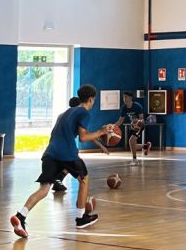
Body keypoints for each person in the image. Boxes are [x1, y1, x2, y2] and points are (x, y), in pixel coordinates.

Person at [9, 84, 108, 238]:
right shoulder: (84, 113)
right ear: (90, 99)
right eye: (94, 100)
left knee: (44, 189)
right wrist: (101, 132)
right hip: (67, 153)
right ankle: (81, 218)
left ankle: (21, 216)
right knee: (84, 179)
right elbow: (83, 137)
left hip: (50, 153)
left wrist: (99, 142)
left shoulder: (65, 113)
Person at [52, 97, 109, 193]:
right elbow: (85, 136)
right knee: (81, 174)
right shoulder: (78, 116)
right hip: (66, 147)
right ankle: (83, 197)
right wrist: (101, 145)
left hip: (53, 146)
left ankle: (58, 180)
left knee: (67, 164)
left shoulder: (62, 115)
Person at [114, 91, 149, 166]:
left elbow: (142, 119)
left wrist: (137, 123)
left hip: (140, 126)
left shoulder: (137, 106)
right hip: (133, 126)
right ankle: (145, 146)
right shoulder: (124, 108)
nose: (124, 99)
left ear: (130, 98)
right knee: (132, 144)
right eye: (123, 97)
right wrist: (113, 127)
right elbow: (120, 121)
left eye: (126, 97)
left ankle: (135, 160)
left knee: (131, 140)